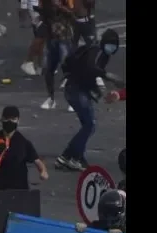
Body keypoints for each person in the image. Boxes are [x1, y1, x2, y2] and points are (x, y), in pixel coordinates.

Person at [55, 28, 124, 171]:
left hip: (76, 90)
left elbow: (87, 73)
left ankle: (72, 156)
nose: (112, 48)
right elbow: (90, 68)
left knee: (87, 125)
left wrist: (96, 90)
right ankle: (71, 157)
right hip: (76, 90)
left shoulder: (98, 52)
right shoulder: (97, 52)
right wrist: (108, 76)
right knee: (89, 125)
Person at [0, 106, 49, 201]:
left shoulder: (23, 142)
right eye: (7, 119)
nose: (10, 122)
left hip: (19, 189)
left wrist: (43, 172)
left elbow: (37, 161)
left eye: (13, 119)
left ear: (18, 121)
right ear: (1, 119)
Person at [40, 1, 76, 110]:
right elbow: (43, 16)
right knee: (48, 69)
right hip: (51, 39)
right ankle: (51, 99)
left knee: (67, 69)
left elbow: (73, 15)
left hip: (64, 39)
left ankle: (72, 101)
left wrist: (60, 7)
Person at [19, 0, 45, 76]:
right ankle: (28, 62)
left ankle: (39, 66)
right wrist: (23, 17)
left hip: (44, 9)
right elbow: (23, 3)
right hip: (36, 10)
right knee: (40, 36)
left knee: (43, 39)